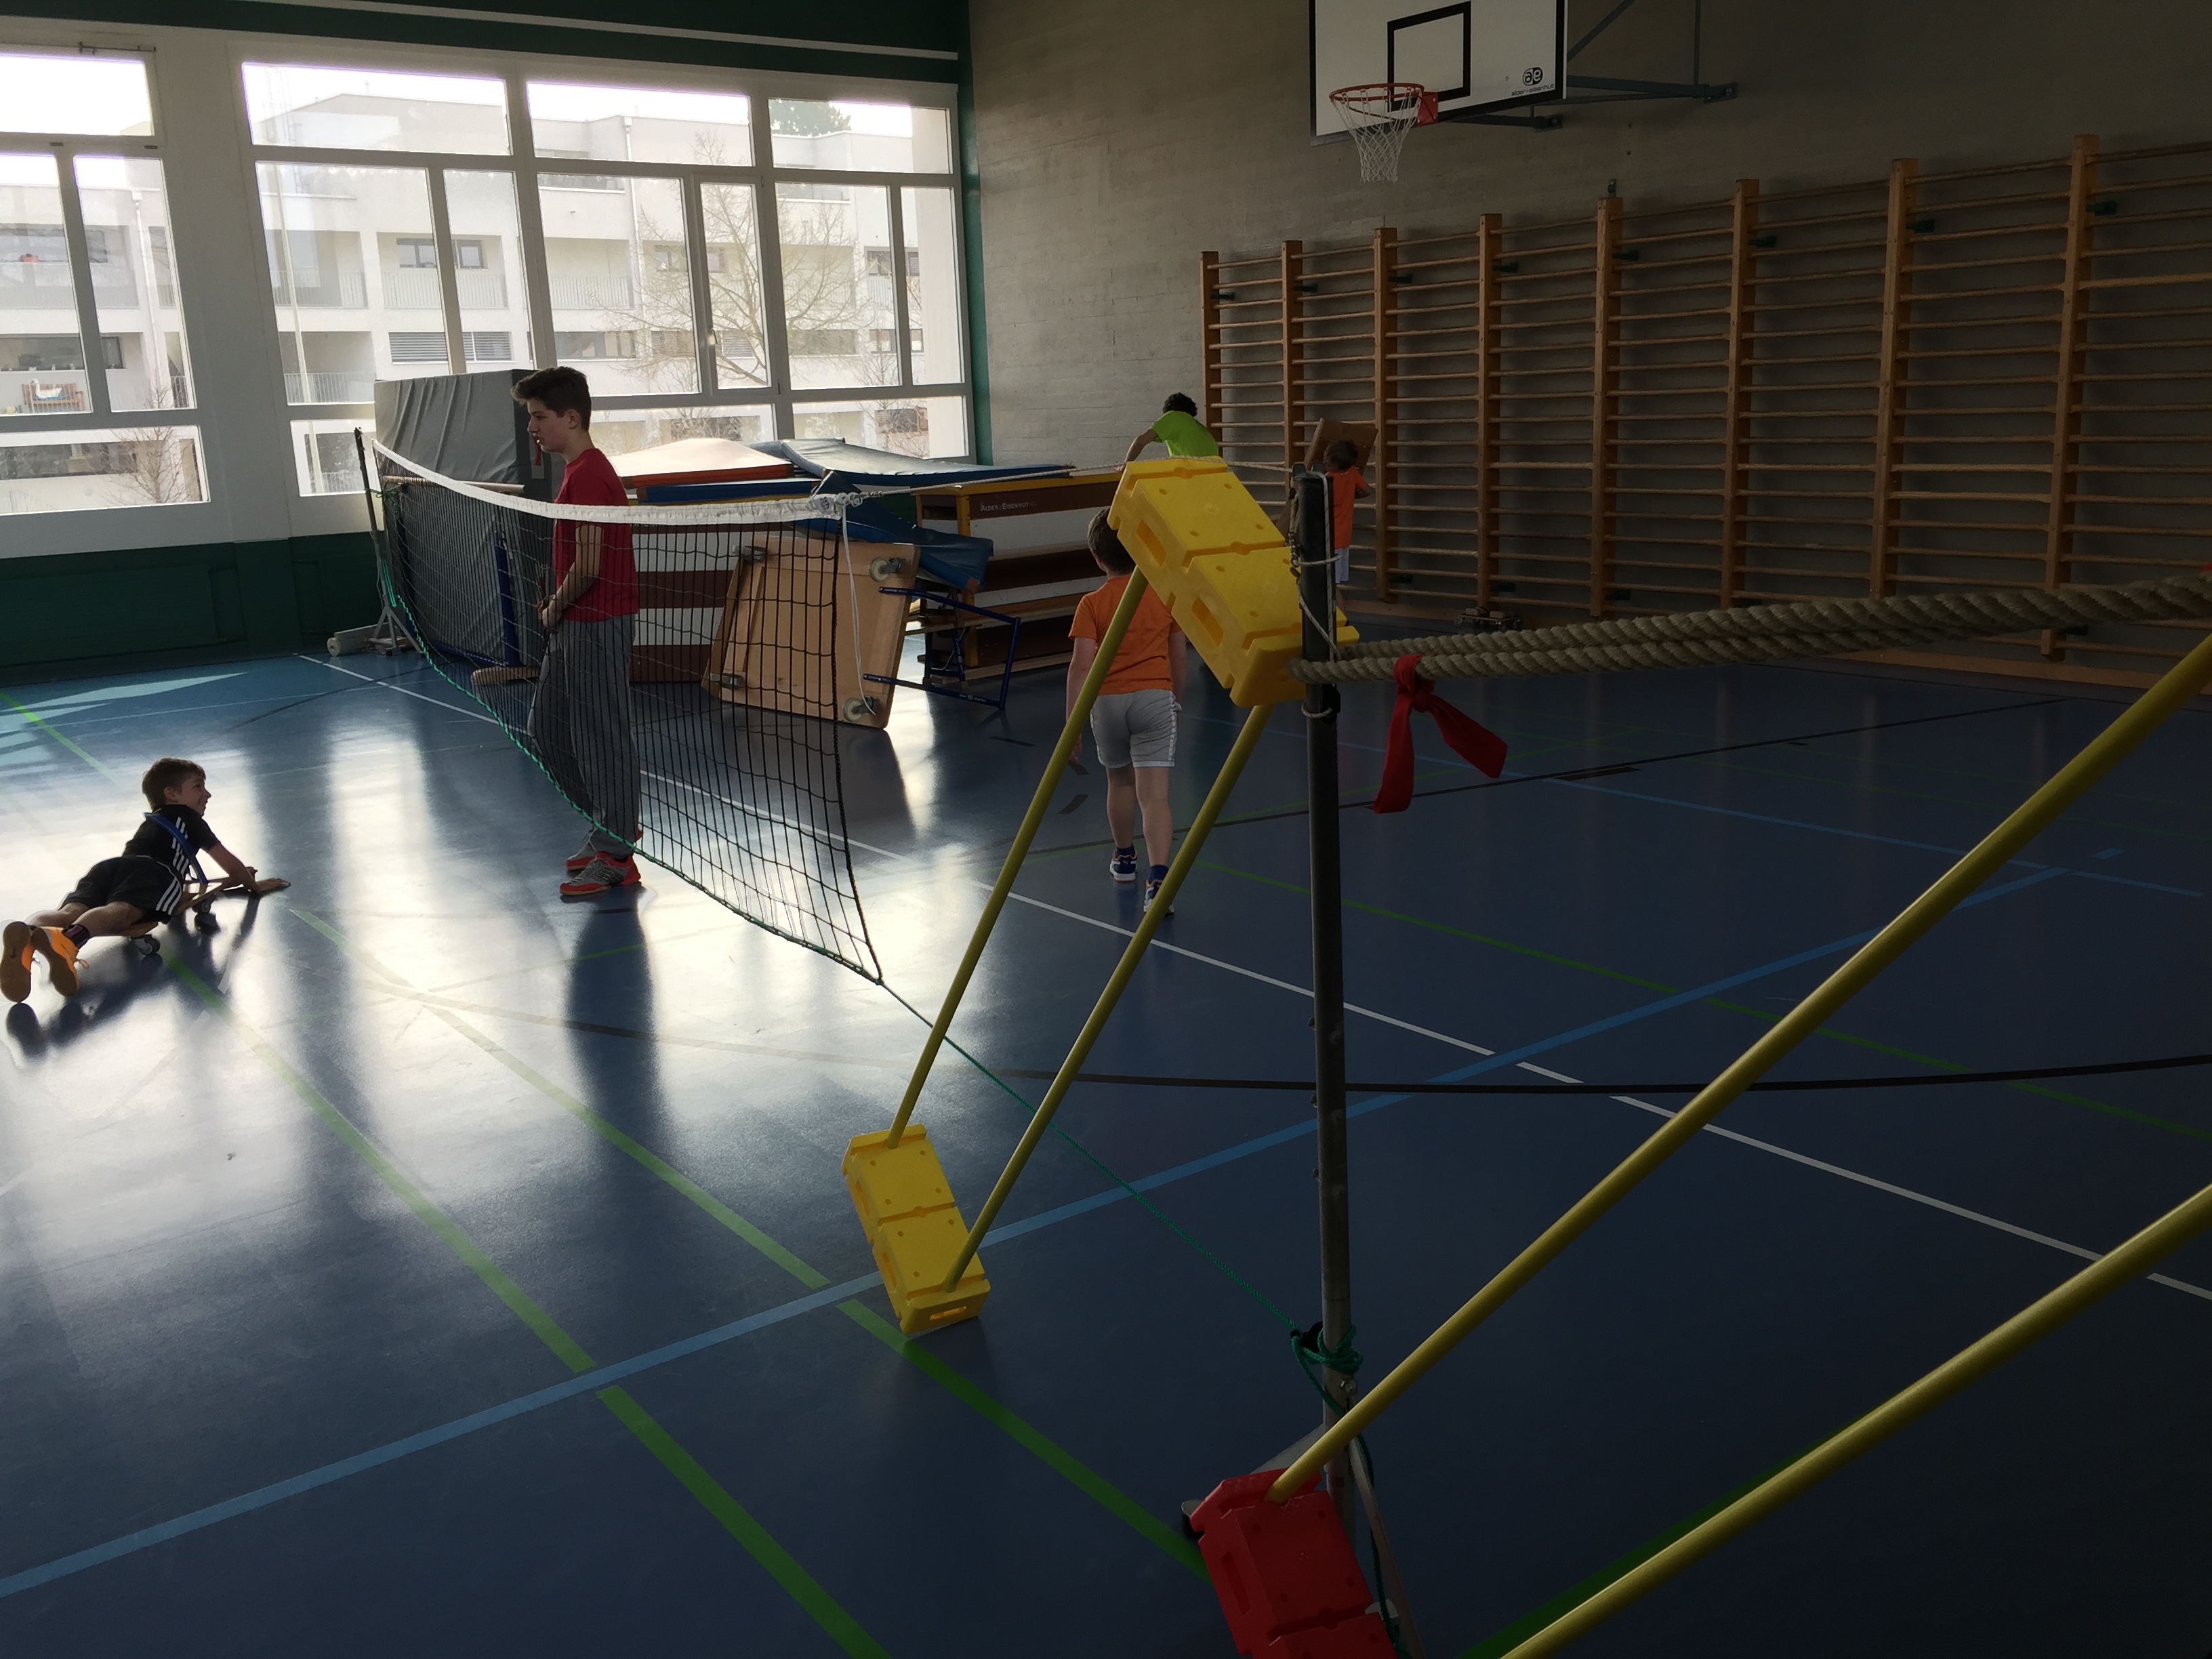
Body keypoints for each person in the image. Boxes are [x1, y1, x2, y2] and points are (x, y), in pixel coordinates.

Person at [1, 757, 283, 1002]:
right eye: (198, 787)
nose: (207, 794)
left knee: (70, 911)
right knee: (123, 911)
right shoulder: (190, 819)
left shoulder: (154, 819)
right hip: (156, 872)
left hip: (112, 867)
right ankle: (68, 941)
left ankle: (28, 933)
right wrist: (253, 885)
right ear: (171, 794)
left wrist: (232, 879)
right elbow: (229, 862)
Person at [515, 365, 643, 899]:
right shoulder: (575, 472)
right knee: (546, 729)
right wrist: (558, 603)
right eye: (530, 418)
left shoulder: (590, 474)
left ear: (571, 417)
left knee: (603, 739)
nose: (532, 428)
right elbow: (579, 561)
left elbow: (589, 565)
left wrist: (556, 607)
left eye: (539, 416)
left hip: (597, 624)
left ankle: (617, 854)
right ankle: (609, 824)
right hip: (574, 622)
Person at [1067, 511, 1187, 912]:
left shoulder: (1091, 604)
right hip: (1155, 698)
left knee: (1119, 783)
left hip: (1107, 702)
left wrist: (1073, 724)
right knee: (1154, 796)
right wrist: (1176, 700)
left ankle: (1124, 858)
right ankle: (1159, 880)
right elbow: (1178, 656)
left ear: (1096, 557)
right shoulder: (1163, 595)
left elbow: (1081, 667)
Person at [1322, 438, 1372, 588]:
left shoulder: (1328, 480)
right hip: (1344, 537)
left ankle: (1338, 604)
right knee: (1335, 582)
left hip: (1331, 538)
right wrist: (1352, 495)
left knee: (1330, 585)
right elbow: (1367, 490)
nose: (1324, 463)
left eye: (1328, 463)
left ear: (1339, 467)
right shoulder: (1352, 473)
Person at [1123, 392, 1221, 465]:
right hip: (1215, 478)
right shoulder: (1202, 430)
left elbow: (1140, 442)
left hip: (1192, 478)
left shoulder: (1173, 416)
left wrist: (1126, 465)